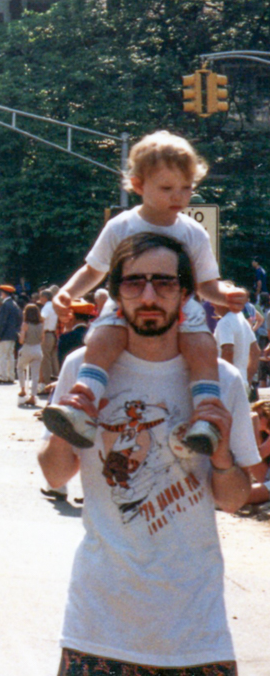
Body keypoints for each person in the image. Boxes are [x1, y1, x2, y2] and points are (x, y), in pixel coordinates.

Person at [39, 232, 259, 674]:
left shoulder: (222, 380)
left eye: (164, 282)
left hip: (196, 630)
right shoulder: (83, 368)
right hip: (98, 625)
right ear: (116, 293)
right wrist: (71, 419)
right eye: (134, 283)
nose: (149, 295)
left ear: (185, 291)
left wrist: (219, 456)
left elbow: (234, 499)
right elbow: (55, 475)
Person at [49, 132, 246, 456]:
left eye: (186, 187)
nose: (178, 196)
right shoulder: (121, 226)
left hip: (180, 306)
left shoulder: (192, 231)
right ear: (139, 186)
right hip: (124, 307)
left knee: (202, 346)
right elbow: (94, 269)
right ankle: (82, 403)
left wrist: (226, 296)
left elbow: (206, 283)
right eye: (167, 188)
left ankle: (206, 414)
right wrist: (67, 293)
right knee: (101, 339)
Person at [214, 300, 259, 391]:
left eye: (214, 300)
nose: (211, 304)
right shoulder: (242, 320)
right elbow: (256, 352)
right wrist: (248, 379)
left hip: (228, 386)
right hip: (242, 383)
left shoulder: (225, 322)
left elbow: (228, 351)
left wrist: (226, 382)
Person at [16, 303, 44, 404]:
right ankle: (33, 396)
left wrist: (22, 333)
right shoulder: (41, 324)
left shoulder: (25, 324)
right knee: (35, 375)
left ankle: (23, 389)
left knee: (20, 367)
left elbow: (21, 341)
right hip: (37, 349)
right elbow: (42, 339)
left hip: (27, 348)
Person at [0, 285, 21, 384]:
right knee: (10, 356)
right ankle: (11, 376)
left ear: (4, 293)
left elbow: (2, 321)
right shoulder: (14, 304)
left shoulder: (5, 305)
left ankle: (3, 376)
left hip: (4, 335)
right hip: (12, 334)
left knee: (2, 356)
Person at [37, 289, 59, 391]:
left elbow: (42, 320)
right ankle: (55, 379)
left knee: (45, 359)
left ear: (44, 297)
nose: (39, 299)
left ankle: (46, 382)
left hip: (46, 334)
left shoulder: (46, 307)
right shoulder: (54, 306)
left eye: (41, 297)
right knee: (52, 358)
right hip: (53, 333)